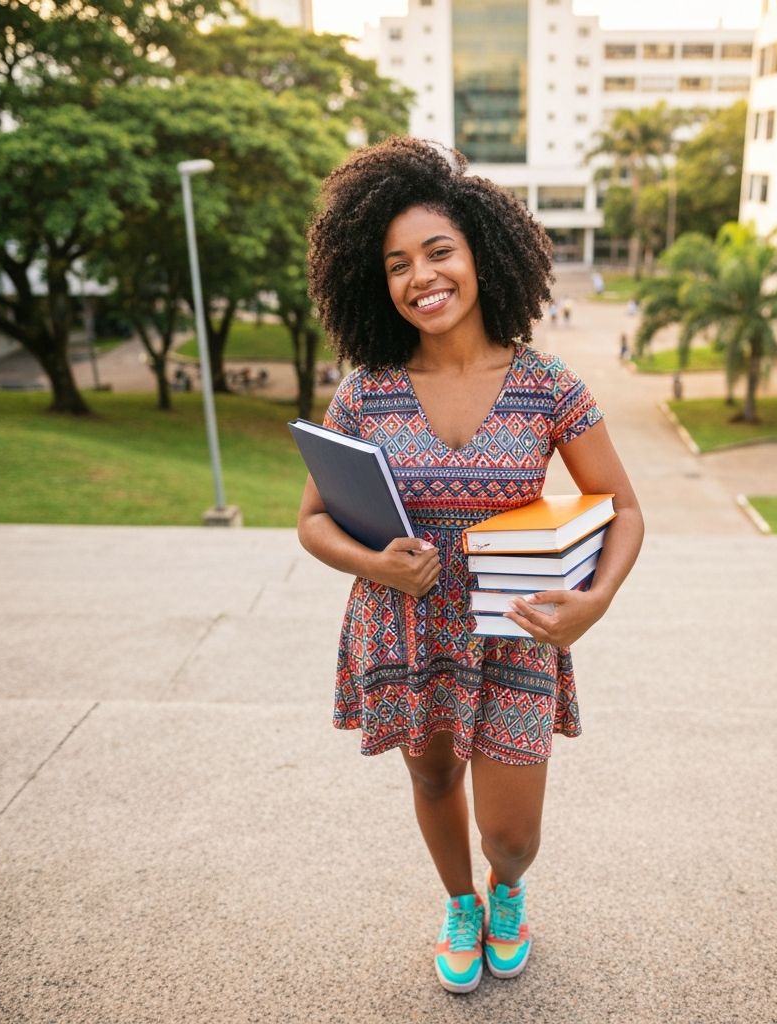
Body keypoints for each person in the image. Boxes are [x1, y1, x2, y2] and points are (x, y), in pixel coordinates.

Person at [298, 137, 644, 995]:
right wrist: (378, 565)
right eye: (396, 264)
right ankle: (460, 903)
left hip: (516, 631)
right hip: (408, 623)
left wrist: (593, 605)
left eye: (438, 251)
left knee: (512, 835)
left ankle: (507, 889)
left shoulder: (546, 383)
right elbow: (310, 523)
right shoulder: (365, 391)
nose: (421, 277)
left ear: (481, 253)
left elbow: (625, 508)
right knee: (431, 772)